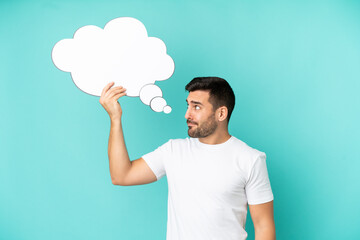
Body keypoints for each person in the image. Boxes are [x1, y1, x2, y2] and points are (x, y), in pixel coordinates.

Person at [99, 77, 275, 240]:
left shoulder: (251, 159)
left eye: (196, 107)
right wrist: (115, 118)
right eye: (188, 105)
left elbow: (263, 226)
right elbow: (122, 175)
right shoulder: (173, 150)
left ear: (221, 114)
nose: (187, 114)